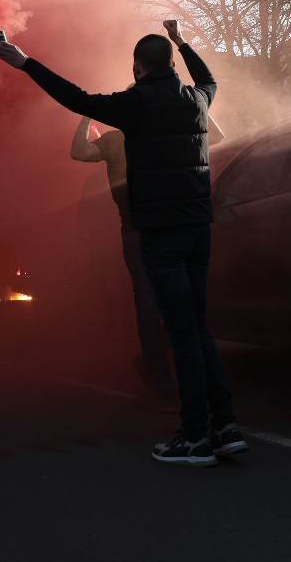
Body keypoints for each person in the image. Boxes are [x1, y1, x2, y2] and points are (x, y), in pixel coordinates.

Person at [0, 21, 245, 467]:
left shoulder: (135, 106)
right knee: (198, 328)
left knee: (181, 333)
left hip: (160, 233)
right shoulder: (196, 101)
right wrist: (183, 41)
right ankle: (224, 427)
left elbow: (76, 98)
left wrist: (25, 63)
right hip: (198, 229)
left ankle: (194, 436)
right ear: (171, 64)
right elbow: (209, 79)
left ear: (137, 68)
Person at [69, 111, 226, 392]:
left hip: (172, 225)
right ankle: (160, 379)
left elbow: (215, 138)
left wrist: (196, 106)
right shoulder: (116, 140)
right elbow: (79, 151)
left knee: (176, 300)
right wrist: (86, 118)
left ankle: (169, 371)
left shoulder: (167, 131)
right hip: (139, 230)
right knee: (150, 304)